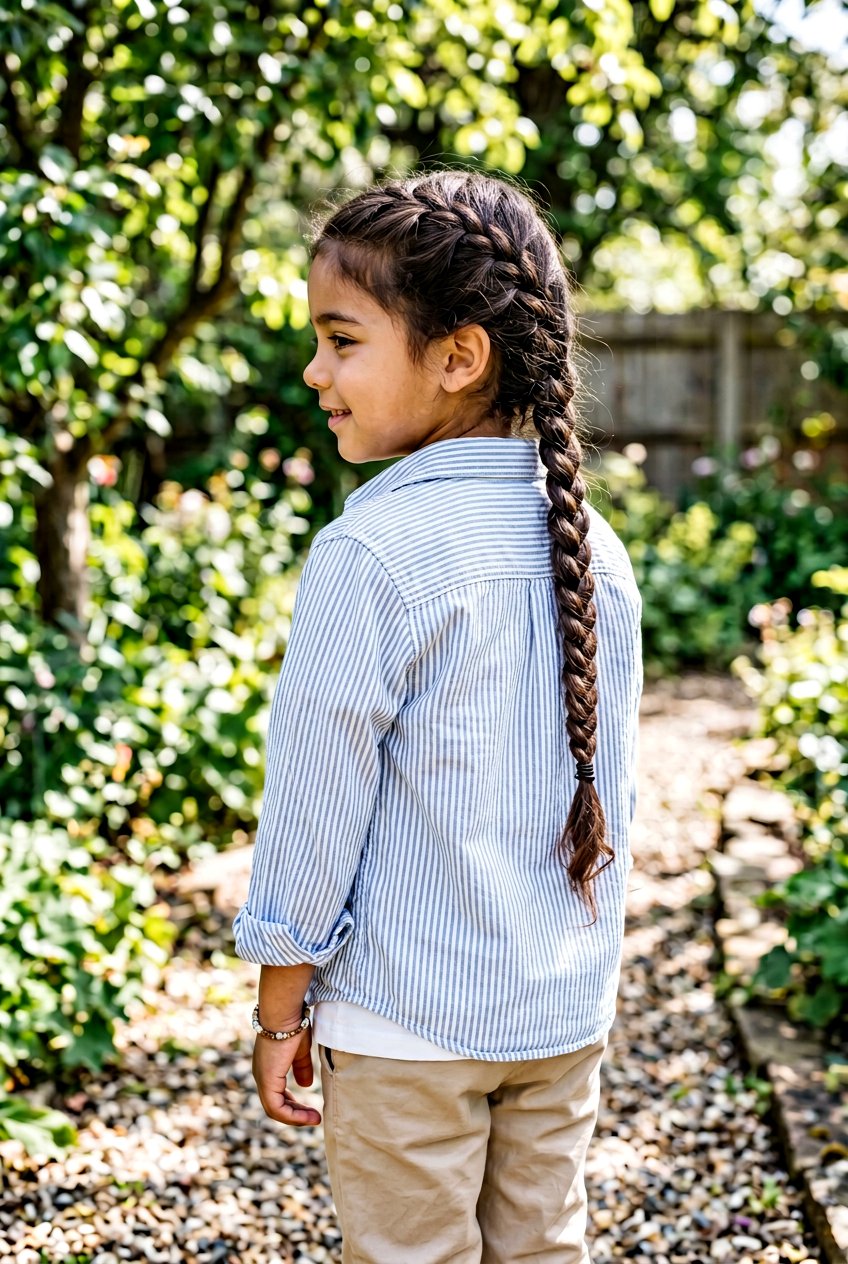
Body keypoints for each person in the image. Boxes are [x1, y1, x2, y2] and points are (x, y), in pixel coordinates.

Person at [232, 169, 643, 1264]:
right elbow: (615, 789)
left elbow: (314, 808)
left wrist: (281, 1012)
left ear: (457, 357)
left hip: (407, 1023)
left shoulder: (370, 553)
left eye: (340, 339)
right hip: (559, 1017)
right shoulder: (593, 553)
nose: (314, 371)